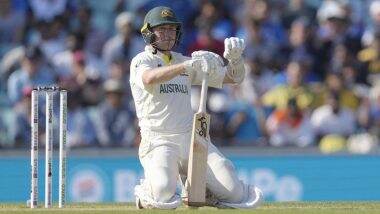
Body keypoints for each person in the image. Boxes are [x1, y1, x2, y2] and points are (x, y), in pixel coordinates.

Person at [129, 6, 263, 209]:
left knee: (235, 193)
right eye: (162, 29)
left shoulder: (184, 60)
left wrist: (235, 59)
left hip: (192, 139)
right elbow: (149, 79)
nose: (167, 34)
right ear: (148, 33)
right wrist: (186, 66)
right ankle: (145, 190)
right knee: (163, 193)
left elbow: (233, 78)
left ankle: (204, 191)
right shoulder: (142, 60)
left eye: (171, 29)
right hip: (159, 141)